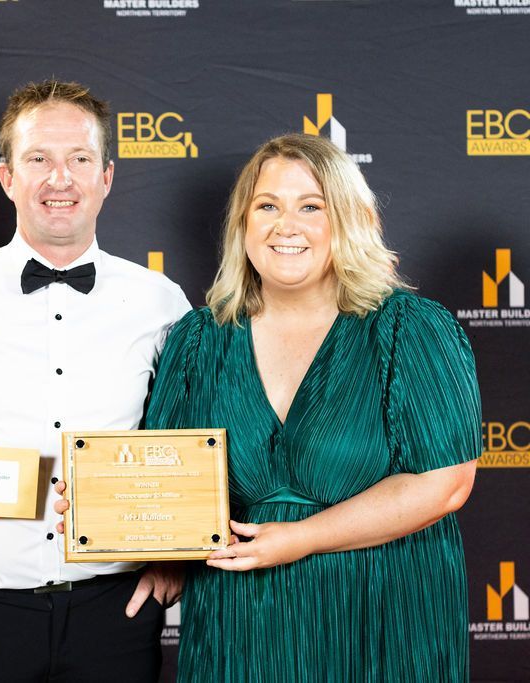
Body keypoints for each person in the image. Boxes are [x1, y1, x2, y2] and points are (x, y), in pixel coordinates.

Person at [0, 79, 190, 682]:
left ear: (106, 177)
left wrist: (175, 552)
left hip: (115, 609)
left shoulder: (162, 303)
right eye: (38, 159)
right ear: (7, 177)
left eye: (79, 159)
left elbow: (184, 434)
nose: (59, 179)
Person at [145, 133, 480, 681]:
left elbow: (445, 484)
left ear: (348, 220)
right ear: (243, 224)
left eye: (311, 207)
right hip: (241, 630)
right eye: (268, 206)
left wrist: (299, 538)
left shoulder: (410, 329)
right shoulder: (198, 339)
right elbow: (161, 478)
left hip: (382, 626)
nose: (286, 225)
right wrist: (102, 511)